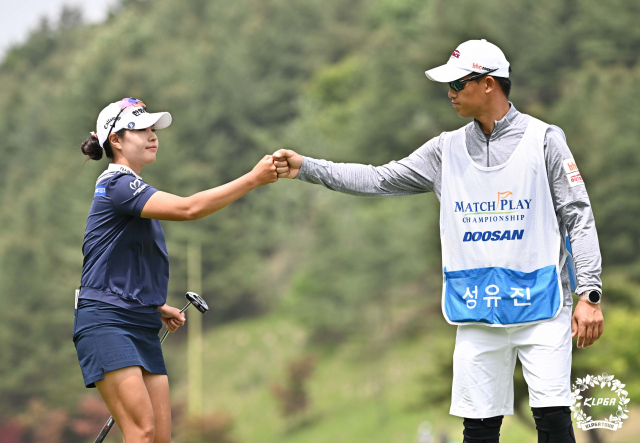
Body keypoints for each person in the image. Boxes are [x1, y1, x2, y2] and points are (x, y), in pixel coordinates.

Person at [273, 40, 604, 443]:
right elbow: (379, 179)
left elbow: (578, 217)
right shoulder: (444, 149)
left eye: (458, 83)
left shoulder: (545, 139)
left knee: (553, 423)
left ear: (488, 84)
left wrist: (589, 294)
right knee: (478, 430)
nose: (449, 93)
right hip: (477, 309)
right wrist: (307, 167)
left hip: (543, 304)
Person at [74, 97, 277, 443]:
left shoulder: (131, 190)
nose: (153, 135)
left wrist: (154, 305)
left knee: (160, 439)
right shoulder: (118, 186)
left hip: (139, 322)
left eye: (153, 129)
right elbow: (190, 209)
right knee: (142, 433)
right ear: (116, 141)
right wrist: (254, 179)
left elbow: (121, 261)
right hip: (106, 321)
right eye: (141, 129)